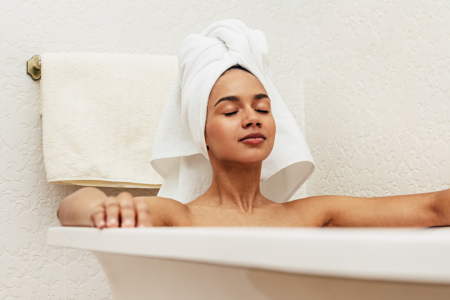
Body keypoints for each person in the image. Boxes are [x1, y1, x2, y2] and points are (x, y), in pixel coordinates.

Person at [57, 64, 450, 229]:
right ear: (203, 134)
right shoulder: (181, 217)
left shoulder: (311, 214)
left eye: (262, 107)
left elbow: (433, 207)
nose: (252, 117)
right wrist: (102, 206)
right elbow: (70, 207)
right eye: (230, 111)